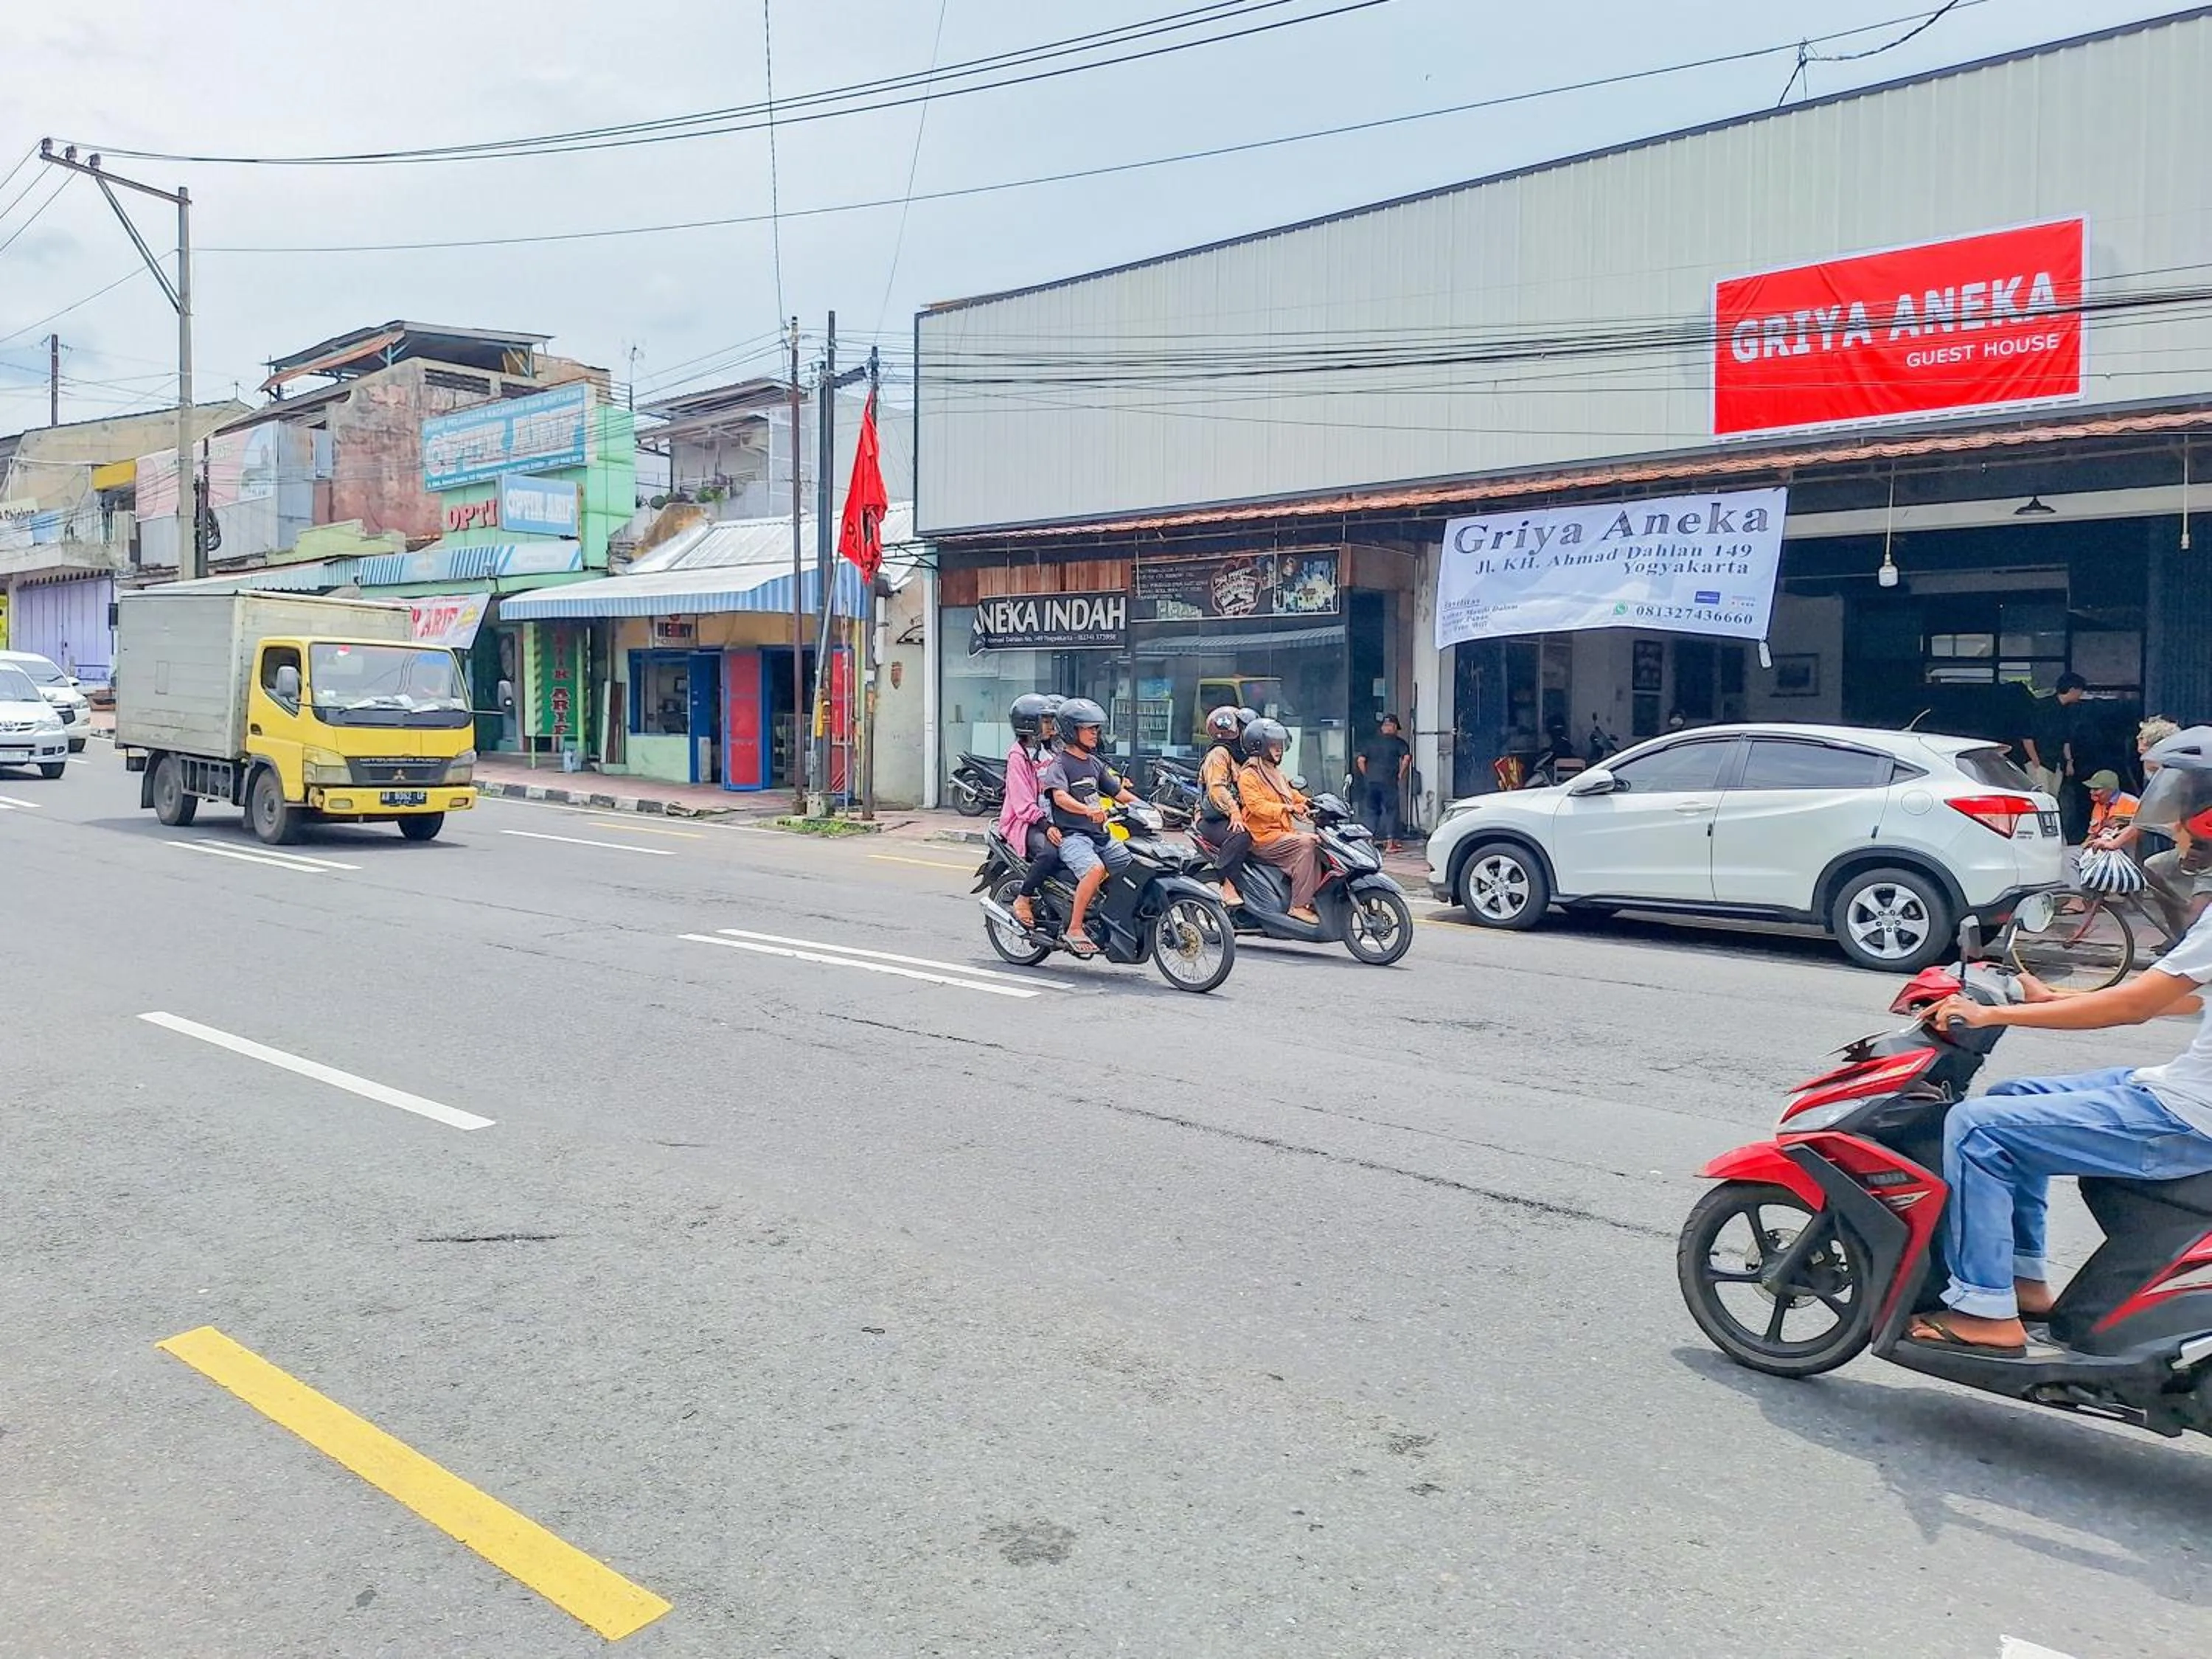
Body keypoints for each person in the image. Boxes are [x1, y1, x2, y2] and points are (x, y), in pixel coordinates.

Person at [1916, 727, 2212, 1355]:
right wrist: (2057, 998)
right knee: (2017, 1095)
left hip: (2189, 1121)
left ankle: (1986, 1312)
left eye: (2182, 811)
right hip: (2183, 1098)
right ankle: (2022, 1280)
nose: (2175, 829)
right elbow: (2184, 995)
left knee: (1976, 1127)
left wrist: (1995, 1018)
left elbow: (2135, 1007)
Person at [1037, 697, 1140, 956]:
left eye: (1097, 728)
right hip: (1073, 837)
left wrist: (1148, 808)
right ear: (1072, 730)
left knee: (1134, 866)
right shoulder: (1059, 765)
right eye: (1089, 728)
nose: (1096, 733)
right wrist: (1086, 810)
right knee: (1095, 870)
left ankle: (1111, 916)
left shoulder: (1094, 763)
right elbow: (1059, 796)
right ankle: (1074, 928)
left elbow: (1118, 792)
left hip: (1100, 836)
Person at [1237, 717, 1323, 924]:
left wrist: (1312, 803)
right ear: (1259, 746)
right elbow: (1257, 806)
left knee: (1322, 842)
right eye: (1273, 745)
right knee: (1307, 844)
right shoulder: (1249, 775)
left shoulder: (1274, 772)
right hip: (1262, 838)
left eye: (1280, 745)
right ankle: (1298, 906)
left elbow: (1291, 794)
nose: (1279, 750)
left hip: (1281, 833)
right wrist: (1288, 809)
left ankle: (1314, 899)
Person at [996, 693, 1061, 930]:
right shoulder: (1018, 755)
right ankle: (1023, 898)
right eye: (1045, 721)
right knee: (1050, 852)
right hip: (1025, 824)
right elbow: (1023, 805)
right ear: (1029, 723)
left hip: (1054, 817)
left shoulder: (1051, 750)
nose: (1050, 726)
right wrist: (1046, 826)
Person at [1194, 705, 1253, 908]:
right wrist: (1234, 812)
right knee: (1241, 835)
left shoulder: (1244, 757)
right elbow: (1217, 789)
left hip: (1237, 815)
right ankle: (1227, 884)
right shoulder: (1219, 755)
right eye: (1245, 729)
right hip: (1214, 819)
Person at [1354, 713, 1413, 851]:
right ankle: (1390, 843)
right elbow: (1407, 757)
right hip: (1388, 781)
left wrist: (1367, 775)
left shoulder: (1370, 742)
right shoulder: (1398, 742)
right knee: (1391, 810)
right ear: (1393, 727)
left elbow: (1360, 761)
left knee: (1371, 810)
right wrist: (1401, 774)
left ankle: (1369, 841)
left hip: (1371, 782)